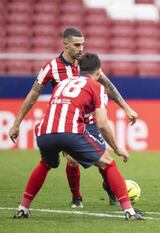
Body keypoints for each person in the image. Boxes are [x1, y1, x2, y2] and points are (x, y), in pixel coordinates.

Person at [8, 27, 137, 208]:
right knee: (72, 159)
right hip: (68, 121)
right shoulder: (51, 67)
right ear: (65, 44)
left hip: (90, 120)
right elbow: (32, 96)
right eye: (77, 45)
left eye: (83, 44)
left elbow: (108, 86)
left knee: (103, 159)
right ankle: (77, 198)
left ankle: (110, 190)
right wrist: (16, 123)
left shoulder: (85, 64)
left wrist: (126, 108)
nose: (81, 49)